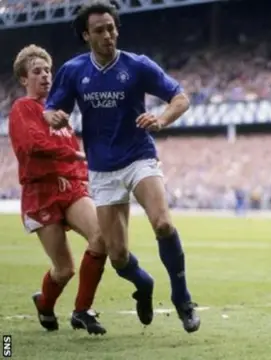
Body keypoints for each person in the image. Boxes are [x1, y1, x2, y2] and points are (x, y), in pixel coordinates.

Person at [43, 1, 200, 333]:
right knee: (117, 256)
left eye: (111, 28)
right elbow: (51, 109)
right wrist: (54, 116)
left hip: (139, 156)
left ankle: (183, 298)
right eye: (99, 30)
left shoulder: (138, 65)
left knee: (163, 224)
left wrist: (161, 118)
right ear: (87, 35)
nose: (107, 35)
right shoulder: (73, 71)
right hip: (102, 169)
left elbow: (181, 98)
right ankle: (144, 286)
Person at [8, 45, 108, 335]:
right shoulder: (21, 109)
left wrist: (80, 173)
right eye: (37, 71)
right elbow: (32, 145)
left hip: (71, 187)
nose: (45, 76)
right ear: (24, 80)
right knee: (64, 270)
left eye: (48, 70)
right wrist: (74, 158)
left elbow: (71, 148)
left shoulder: (59, 111)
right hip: (40, 193)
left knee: (100, 236)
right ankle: (45, 303)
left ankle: (82, 310)